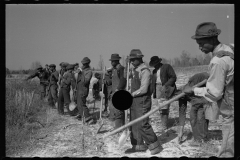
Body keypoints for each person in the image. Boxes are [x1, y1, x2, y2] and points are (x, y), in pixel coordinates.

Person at [184, 22, 234, 157]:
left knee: (229, 144)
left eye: (202, 43)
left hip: (231, 105)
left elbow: (215, 93)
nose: (199, 47)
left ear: (212, 39)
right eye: (198, 44)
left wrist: (193, 91)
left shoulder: (217, 61)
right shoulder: (230, 48)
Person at [125, 49, 162, 155]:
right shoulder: (134, 69)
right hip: (134, 100)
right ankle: (138, 145)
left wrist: (131, 94)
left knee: (142, 123)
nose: (131, 62)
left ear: (139, 59)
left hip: (142, 100)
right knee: (134, 123)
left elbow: (144, 89)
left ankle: (155, 145)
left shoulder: (145, 71)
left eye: (133, 60)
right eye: (130, 60)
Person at [176, 72, 212, 145]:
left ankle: (203, 139)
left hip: (203, 100)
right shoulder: (181, 97)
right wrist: (180, 131)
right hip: (196, 103)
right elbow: (182, 113)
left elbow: (207, 76)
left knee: (201, 118)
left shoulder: (193, 81)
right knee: (192, 119)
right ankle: (197, 139)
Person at [149, 56, 177, 132]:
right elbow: (153, 82)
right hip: (157, 88)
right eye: (153, 64)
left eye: (156, 64)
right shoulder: (154, 71)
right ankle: (163, 122)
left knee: (164, 106)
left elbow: (173, 77)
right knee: (160, 107)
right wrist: (151, 91)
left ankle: (164, 125)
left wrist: (166, 85)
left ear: (159, 62)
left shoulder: (166, 67)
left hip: (166, 88)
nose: (155, 66)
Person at [108, 53, 126, 130]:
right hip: (114, 91)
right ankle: (117, 126)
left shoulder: (120, 68)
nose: (111, 63)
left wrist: (118, 89)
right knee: (113, 109)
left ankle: (119, 127)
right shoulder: (113, 69)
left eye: (112, 61)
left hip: (119, 92)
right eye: (111, 61)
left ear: (116, 61)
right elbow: (113, 81)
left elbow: (123, 80)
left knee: (119, 110)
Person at [75, 57, 94, 123]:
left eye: (84, 64)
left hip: (83, 89)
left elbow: (85, 81)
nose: (83, 65)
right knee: (78, 103)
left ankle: (88, 117)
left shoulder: (89, 71)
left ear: (88, 64)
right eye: (82, 64)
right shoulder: (82, 70)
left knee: (82, 103)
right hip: (79, 89)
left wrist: (81, 73)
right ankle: (81, 114)